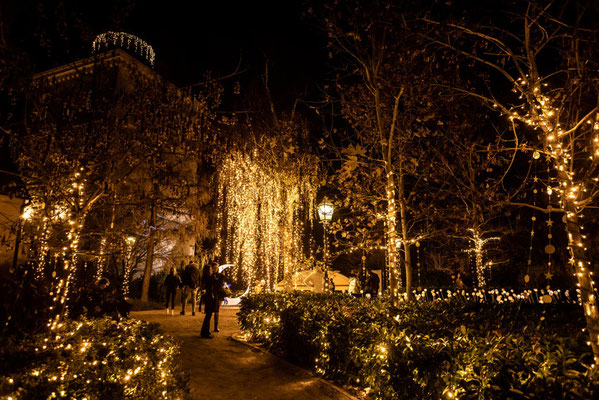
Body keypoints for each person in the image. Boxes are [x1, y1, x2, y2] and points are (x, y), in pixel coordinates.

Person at [200, 263, 218, 338]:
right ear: (208, 271)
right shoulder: (209, 278)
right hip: (209, 298)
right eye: (210, 269)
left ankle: (205, 331)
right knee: (208, 315)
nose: (212, 270)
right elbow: (215, 283)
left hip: (208, 297)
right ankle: (206, 332)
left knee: (208, 315)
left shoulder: (205, 277)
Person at [210, 262, 227, 332]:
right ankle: (215, 326)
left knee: (217, 310)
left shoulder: (220, 275)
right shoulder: (211, 275)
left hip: (219, 293)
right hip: (214, 293)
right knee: (214, 310)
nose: (216, 269)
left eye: (217, 267)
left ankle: (216, 326)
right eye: (214, 268)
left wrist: (222, 277)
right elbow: (215, 283)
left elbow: (221, 283)